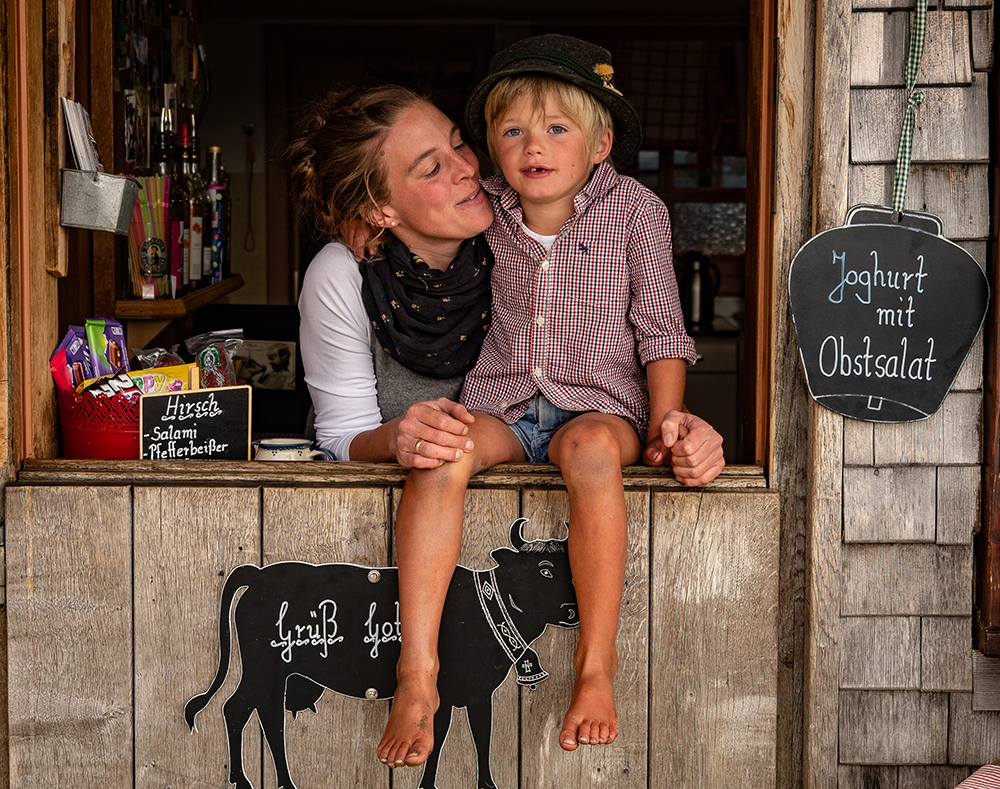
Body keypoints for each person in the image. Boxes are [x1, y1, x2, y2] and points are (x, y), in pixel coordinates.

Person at [288, 81, 725, 769]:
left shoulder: (564, 211)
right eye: (432, 166)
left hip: (594, 407)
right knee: (441, 454)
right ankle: (417, 672)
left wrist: (671, 427)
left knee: (586, 446)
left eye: (458, 146)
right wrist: (404, 437)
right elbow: (341, 432)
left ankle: (596, 666)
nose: (467, 168)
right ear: (379, 210)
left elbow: (658, 328)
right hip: (509, 405)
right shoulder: (367, 264)